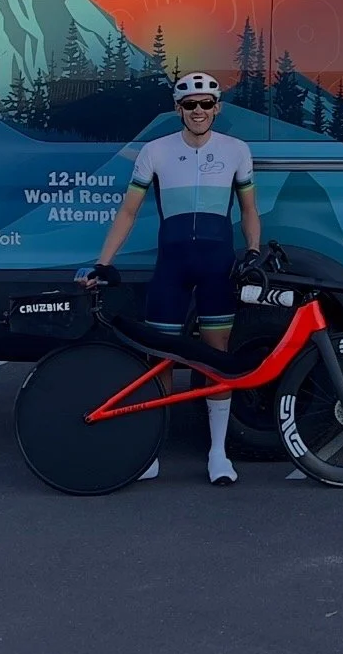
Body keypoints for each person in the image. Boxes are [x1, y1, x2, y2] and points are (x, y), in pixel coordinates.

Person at [79, 71, 260, 485]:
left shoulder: (236, 150)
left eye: (206, 104)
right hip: (172, 266)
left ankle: (218, 454)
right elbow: (128, 211)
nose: (199, 111)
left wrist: (251, 252)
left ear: (217, 108)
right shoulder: (155, 152)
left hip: (217, 265)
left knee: (217, 357)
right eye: (190, 105)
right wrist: (103, 262)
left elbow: (249, 209)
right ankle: (153, 450)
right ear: (179, 109)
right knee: (161, 356)